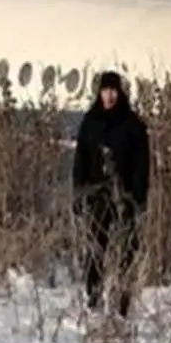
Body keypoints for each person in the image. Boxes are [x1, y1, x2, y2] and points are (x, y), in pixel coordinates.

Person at [72, 71, 151, 318]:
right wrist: (78, 193)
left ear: (120, 92)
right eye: (105, 90)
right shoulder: (91, 121)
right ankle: (93, 297)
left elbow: (142, 165)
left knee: (128, 249)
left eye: (113, 90)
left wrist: (137, 199)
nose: (109, 95)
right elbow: (80, 160)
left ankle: (122, 302)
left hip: (125, 197)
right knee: (96, 246)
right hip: (98, 195)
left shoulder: (132, 125)